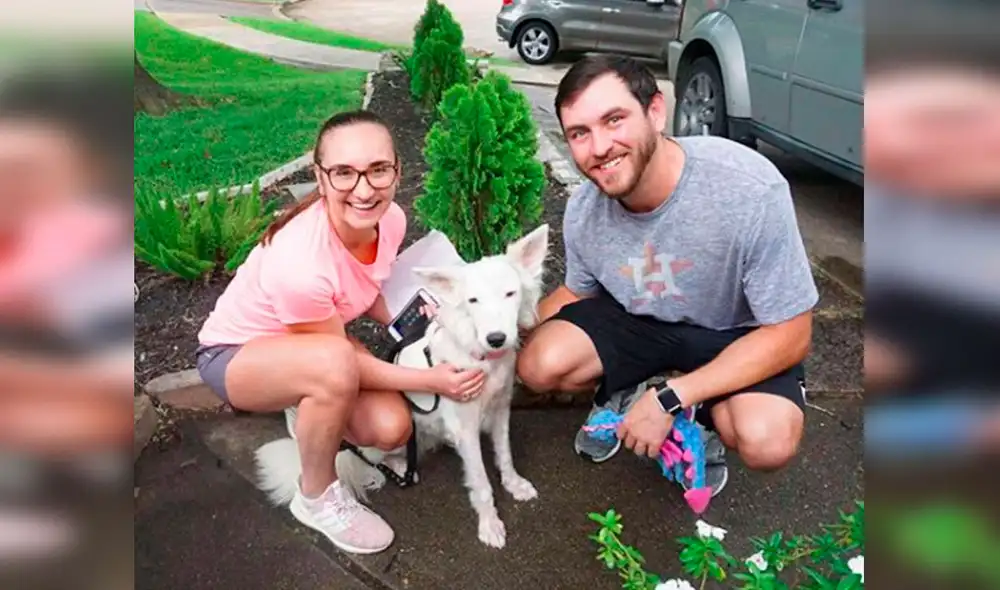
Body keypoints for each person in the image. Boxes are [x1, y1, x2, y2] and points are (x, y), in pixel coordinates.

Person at [516, 56, 818, 495]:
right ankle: (622, 390)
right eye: (579, 133)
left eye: (614, 119)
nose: (599, 147)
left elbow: (793, 333)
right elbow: (576, 293)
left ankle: (699, 416)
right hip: (641, 325)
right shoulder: (584, 209)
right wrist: (501, 332)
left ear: (656, 112)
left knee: (767, 441)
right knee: (538, 365)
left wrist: (674, 396)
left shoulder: (748, 190)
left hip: (733, 334)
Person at [194, 110, 486, 554]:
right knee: (331, 370)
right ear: (320, 175)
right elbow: (339, 361)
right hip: (236, 356)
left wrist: (406, 325)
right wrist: (432, 379)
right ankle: (316, 496)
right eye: (344, 173)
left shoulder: (389, 221)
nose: (364, 189)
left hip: (309, 344)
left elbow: (361, 286)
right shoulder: (301, 266)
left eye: (378, 170)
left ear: (397, 171)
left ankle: (307, 405)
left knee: (390, 431)